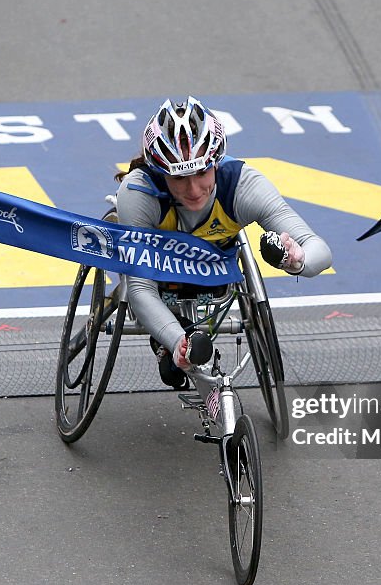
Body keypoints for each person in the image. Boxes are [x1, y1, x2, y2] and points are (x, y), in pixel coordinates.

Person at [114, 96, 332, 389]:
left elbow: (320, 250)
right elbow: (140, 288)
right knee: (173, 364)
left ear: (216, 162)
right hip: (160, 278)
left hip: (216, 272)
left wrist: (298, 260)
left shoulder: (245, 185)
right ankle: (165, 341)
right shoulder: (139, 193)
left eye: (202, 172)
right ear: (160, 173)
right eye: (179, 178)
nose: (193, 190)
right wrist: (178, 342)